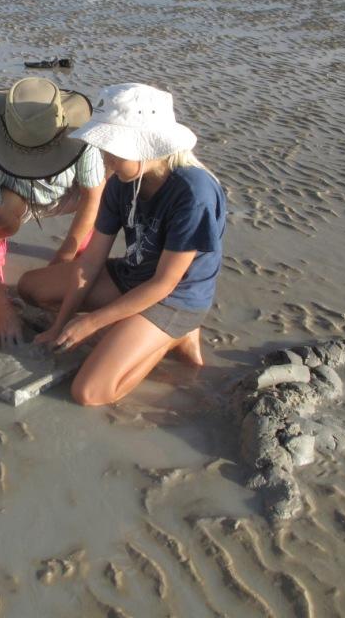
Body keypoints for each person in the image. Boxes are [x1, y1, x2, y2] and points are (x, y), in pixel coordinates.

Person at [20, 83, 226, 406]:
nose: (105, 158)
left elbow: (164, 283)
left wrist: (91, 323)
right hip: (133, 275)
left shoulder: (193, 193)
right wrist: (60, 325)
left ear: (145, 147)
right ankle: (130, 332)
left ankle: (171, 338)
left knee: (89, 392)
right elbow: (90, 263)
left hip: (176, 297)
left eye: (111, 150)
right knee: (30, 287)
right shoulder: (121, 183)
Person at [0, 77, 106, 347]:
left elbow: (92, 198)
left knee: (112, 188)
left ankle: (85, 262)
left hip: (69, 193)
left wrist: (65, 254)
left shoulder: (81, 138)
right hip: (19, 198)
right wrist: (0, 305)